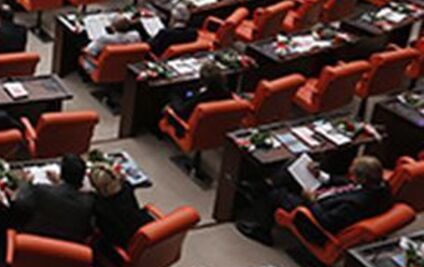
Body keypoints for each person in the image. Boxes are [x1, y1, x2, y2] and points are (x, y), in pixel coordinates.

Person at [236, 156, 391, 246]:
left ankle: (263, 231)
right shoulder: (377, 186)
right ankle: (260, 187)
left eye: (352, 173)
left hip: (312, 219)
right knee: (292, 166)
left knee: (277, 194)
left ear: (362, 178)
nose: (349, 175)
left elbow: (327, 222)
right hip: (324, 197)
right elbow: (347, 184)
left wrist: (311, 201)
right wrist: (320, 175)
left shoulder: (355, 204)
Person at [11, 154, 95, 243]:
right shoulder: (89, 202)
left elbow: (17, 202)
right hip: (71, 249)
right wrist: (59, 183)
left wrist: (25, 183)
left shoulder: (40, 191)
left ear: (61, 173)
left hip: (33, 245)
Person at [89, 164, 153, 267]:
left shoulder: (100, 205)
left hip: (122, 242)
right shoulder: (127, 187)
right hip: (139, 228)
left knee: (94, 241)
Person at [161, 62, 232, 137]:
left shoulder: (201, 99)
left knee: (173, 95)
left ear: (203, 80)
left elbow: (181, 111)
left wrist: (173, 99)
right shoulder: (228, 94)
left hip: (191, 129)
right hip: (218, 128)